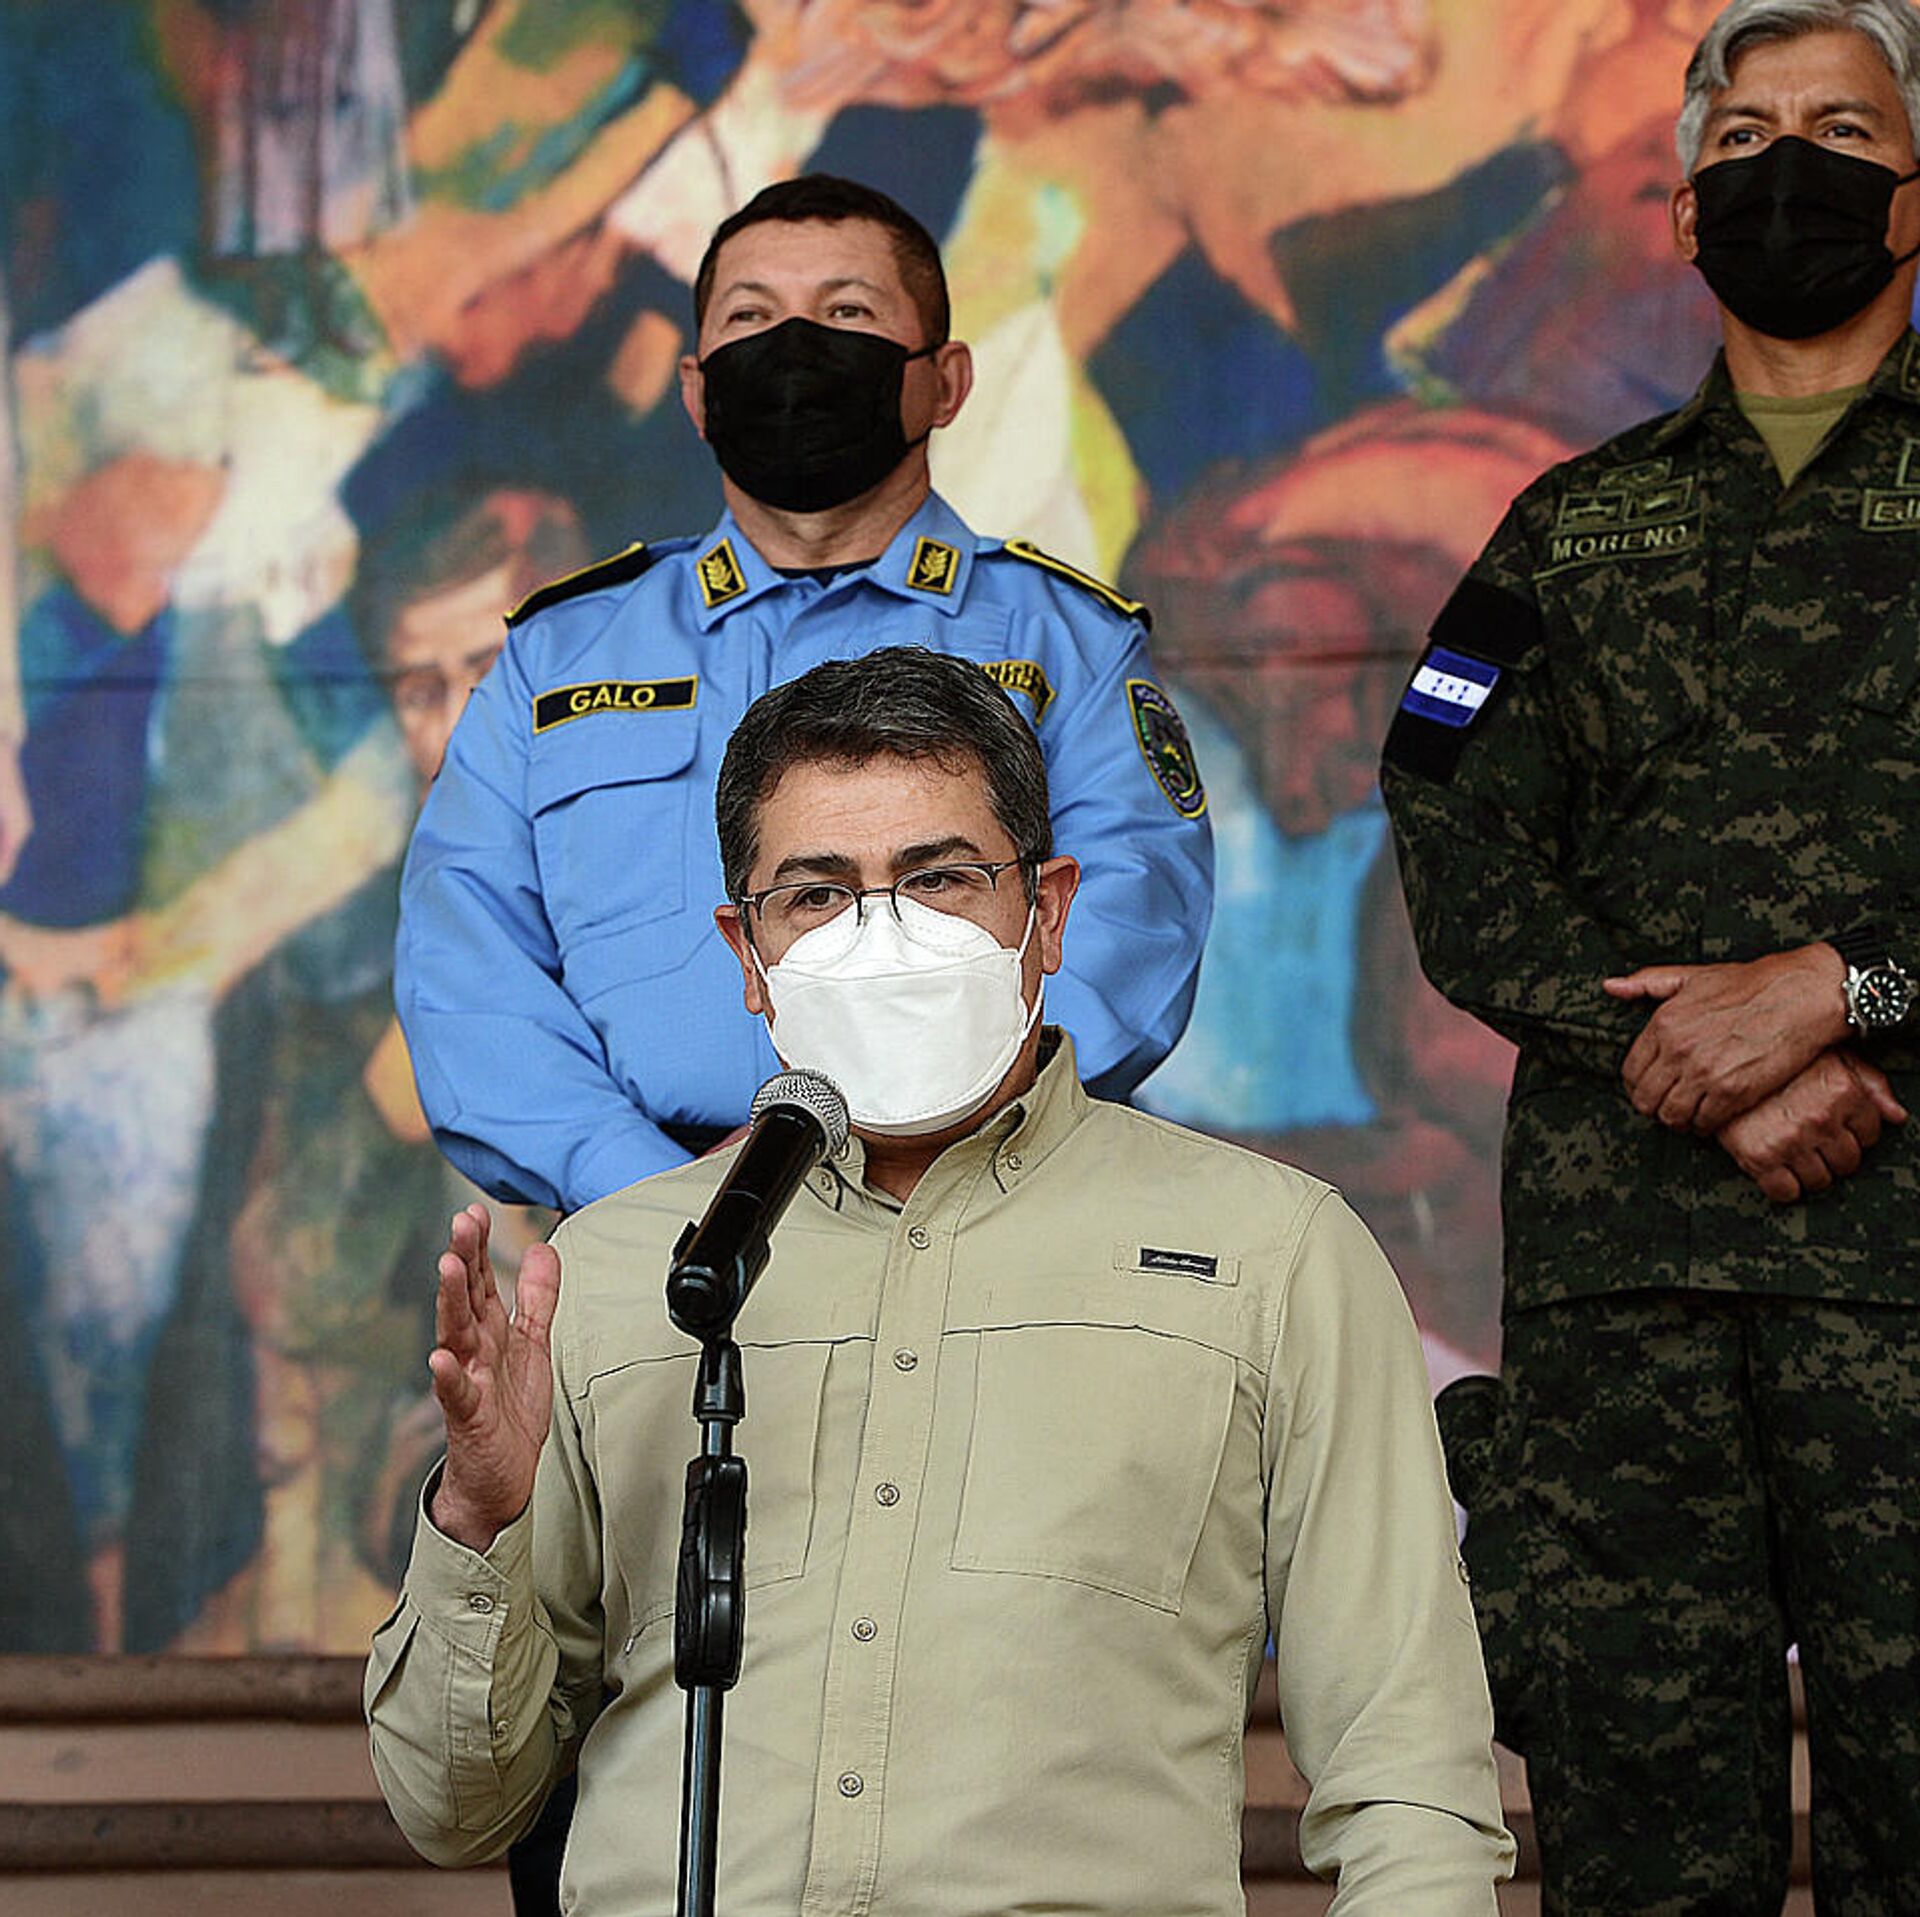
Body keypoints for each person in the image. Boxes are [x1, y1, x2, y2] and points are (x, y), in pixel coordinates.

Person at [366, 646, 1512, 1914]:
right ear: (747, 951)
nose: (882, 935)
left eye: (941, 879)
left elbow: (1410, 1783)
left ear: (1048, 913)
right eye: (817, 894)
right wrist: (479, 1519)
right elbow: (453, 1809)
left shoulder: (1272, 1255)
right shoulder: (618, 1273)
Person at [1380, 3, 1920, 1911]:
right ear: (1684, 214)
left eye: (1842, 130)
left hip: (1905, 1280)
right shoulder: (1563, 527)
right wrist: (1678, 1056)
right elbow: (1444, 811)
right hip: (1626, 1290)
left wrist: (1848, 988)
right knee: (1639, 1844)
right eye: (1746, 138)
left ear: (1914, 195)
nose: (1791, 170)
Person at [395, 174, 1213, 1217]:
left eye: (847, 312)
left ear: (945, 383)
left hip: (977, 1215)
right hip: (639, 1228)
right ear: (697, 391)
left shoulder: (1070, 644)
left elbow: (1129, 934)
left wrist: (910, 1161)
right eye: (751, 317)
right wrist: (650, 1192)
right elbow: (466, 971)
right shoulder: (556, 657)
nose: (793, 347)